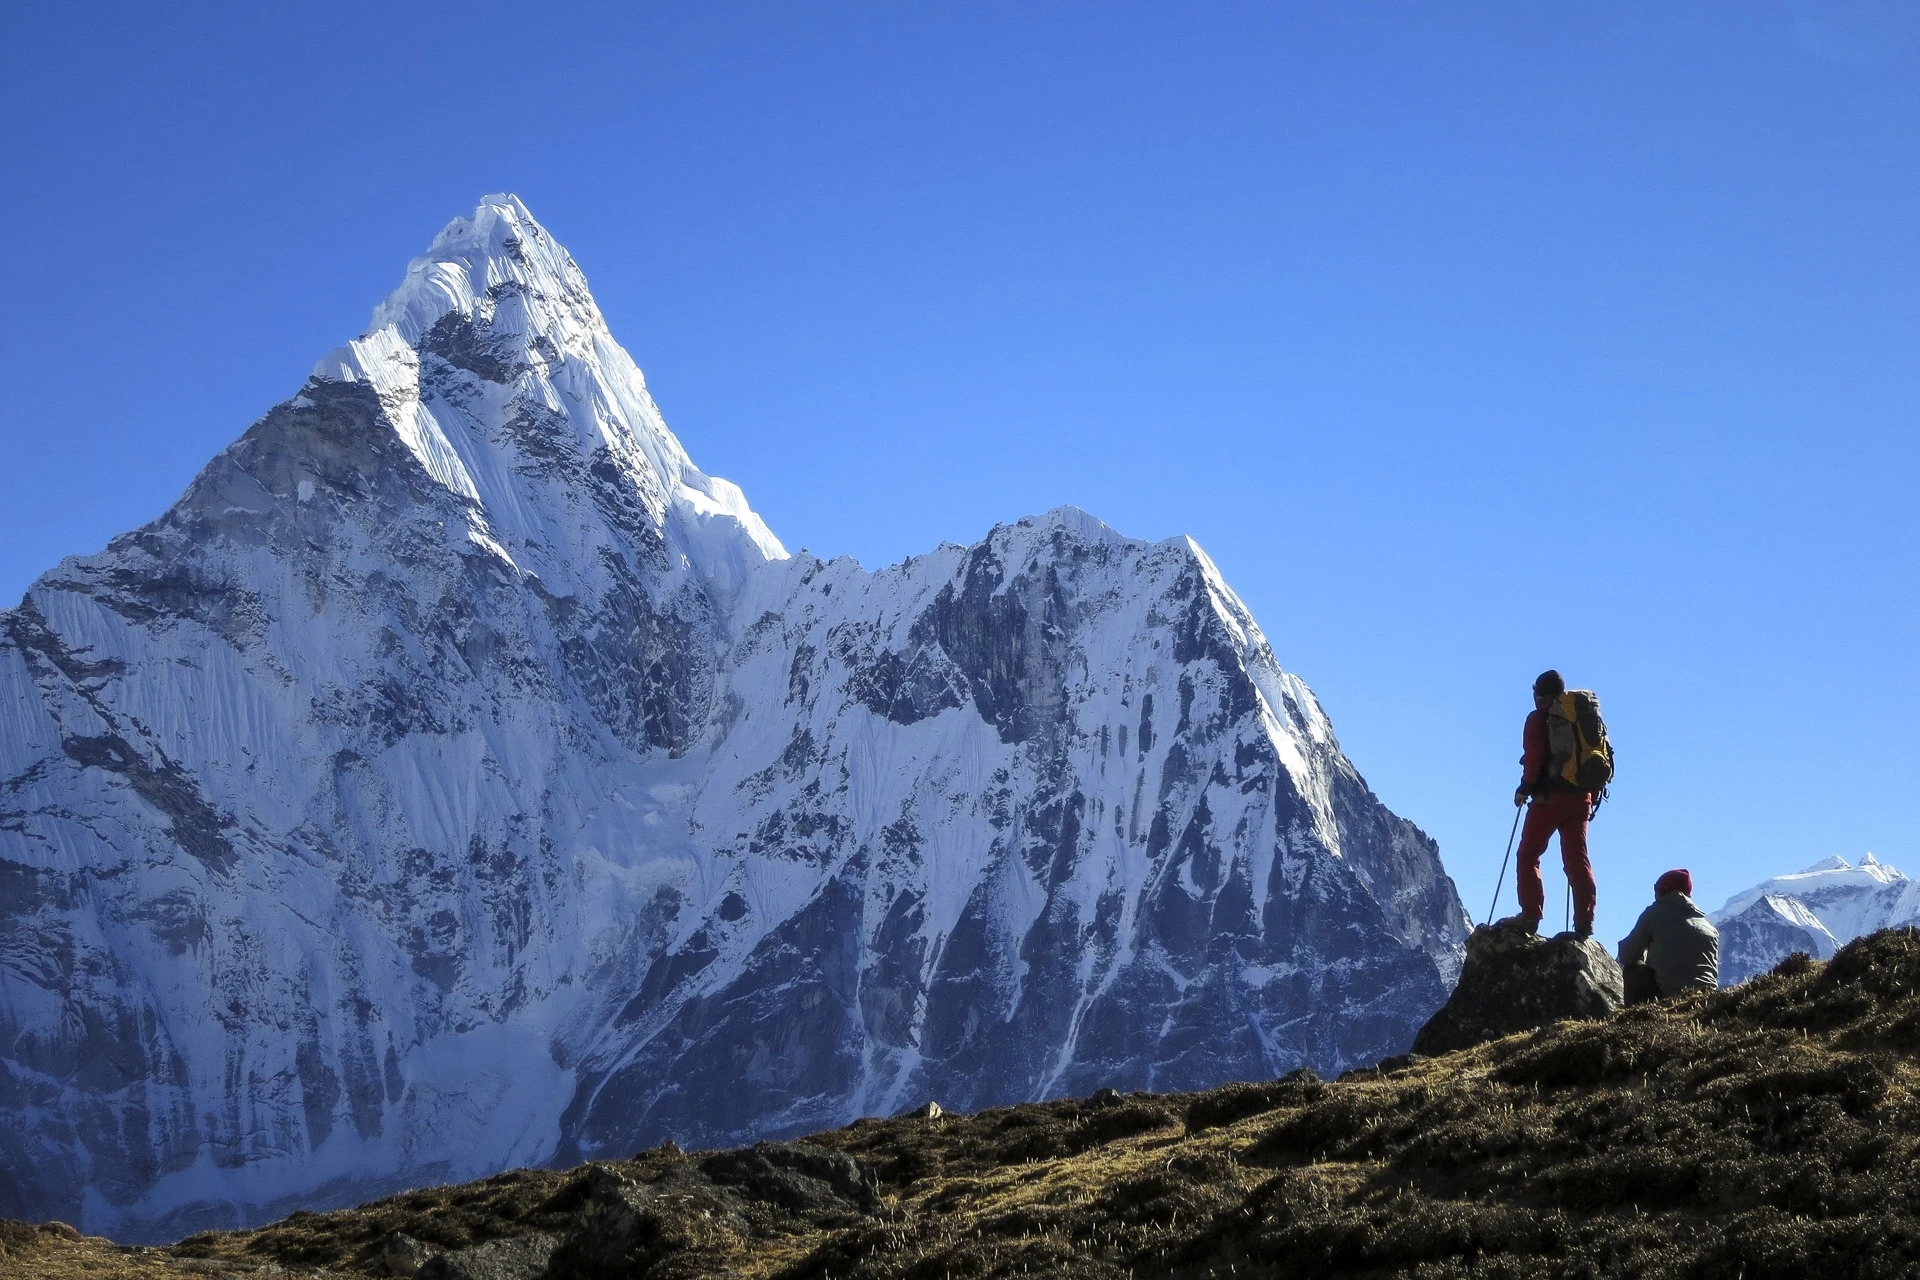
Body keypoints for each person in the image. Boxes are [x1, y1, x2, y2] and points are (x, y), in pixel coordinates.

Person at [1512, 669, 1598, 937]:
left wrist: (1525, 787)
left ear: (1538, 694)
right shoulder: (1581, 717)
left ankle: (1530, 915)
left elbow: (1535, 757)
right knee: (1577, 860)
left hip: (1549, 799)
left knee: (1528, 855)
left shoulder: (1538, 718)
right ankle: (1585, 922)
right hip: (1581, 798)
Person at [1617, 869, 1719, 1003]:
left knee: (1633, 969)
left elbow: (1626, 955)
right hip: (1707, 999)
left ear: (1663, 890)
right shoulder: (1710, 928)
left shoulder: (1654, 913)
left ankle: (1633, 1020)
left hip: (1669, 995)